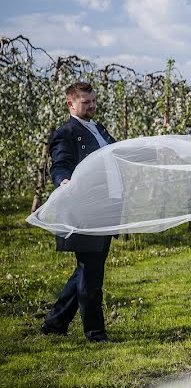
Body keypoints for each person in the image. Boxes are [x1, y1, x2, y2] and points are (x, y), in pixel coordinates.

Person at [40, 81, 116, 343]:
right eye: (86, 102)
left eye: (94, 100)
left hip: (105, 207)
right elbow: (60, 164)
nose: (93, 105)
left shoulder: (98, 128)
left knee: (87, 269)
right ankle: (95, 333)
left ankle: (55, 322)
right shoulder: (66, 132)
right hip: (87, 208)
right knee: (91, 274)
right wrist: (64, 181)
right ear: (70, 104)